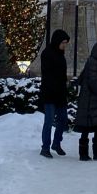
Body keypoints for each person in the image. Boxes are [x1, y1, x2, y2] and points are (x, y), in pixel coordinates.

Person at [75, 40, 97, 160]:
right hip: (90, 100)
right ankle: (89, 153)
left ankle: (93, 153)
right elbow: (92, 81)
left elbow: (83, 78)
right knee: (91, 126)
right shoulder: (93, 63)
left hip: (90, 99)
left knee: (96, 126)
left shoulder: (93, 61)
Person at [38, 28, 70, 157]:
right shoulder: (47, 53)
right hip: (50, 93)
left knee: (62, 119)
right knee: (49, 121)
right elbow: (48, 74)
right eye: (63, 43)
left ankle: (56, 143)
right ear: (57, 41)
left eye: (65, 43)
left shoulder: (60, 54)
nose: (64, 45)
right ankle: (45, 147)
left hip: (60, 93)